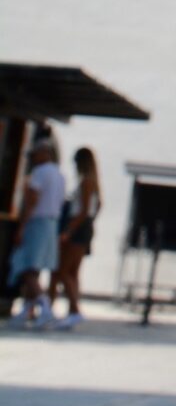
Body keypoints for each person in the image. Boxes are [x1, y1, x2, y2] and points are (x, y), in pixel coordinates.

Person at [8, 129, 66, 326]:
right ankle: (28, 309)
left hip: (37, 222)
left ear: (45, 153)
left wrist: (22, 227)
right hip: (51, 224)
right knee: (35, 267)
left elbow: (32, 201)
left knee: (26, 266)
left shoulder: (39, 173)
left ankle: (44, 306)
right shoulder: (59, 175)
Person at [53, 146, 101, 328]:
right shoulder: (93, 182)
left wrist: (69, 230)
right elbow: (97, 206)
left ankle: (74, 309)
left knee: (63, 270)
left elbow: (82, 210)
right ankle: (73, 309)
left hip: (78, 227)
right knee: (72, 272)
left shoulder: (86, 182)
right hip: (85, 226)